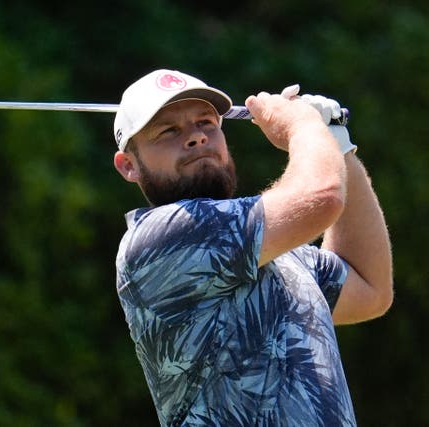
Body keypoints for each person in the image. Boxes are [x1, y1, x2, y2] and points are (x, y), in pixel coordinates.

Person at [112, 69, 393, 426]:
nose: (196, 137)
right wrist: (304, 127)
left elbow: (370, 287)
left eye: (206, 123)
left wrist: (338, 144)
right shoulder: (158, 240)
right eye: (168, 131)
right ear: (128, 166)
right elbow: (321, 197)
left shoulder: (273, 252)